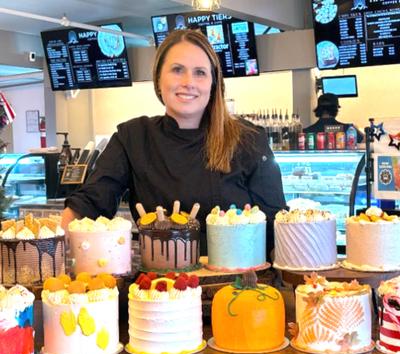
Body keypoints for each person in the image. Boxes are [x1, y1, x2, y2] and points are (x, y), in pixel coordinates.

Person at [61, 29, 287, 257]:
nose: (189, 82)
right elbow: (91, 203)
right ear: (159, 79)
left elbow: (276, 222)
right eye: (177, 70)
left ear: (213, 83)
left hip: (239, 286)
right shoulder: (133, 137)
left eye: (200, 72)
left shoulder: (248, 139)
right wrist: (55, 240)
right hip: (159, 288)